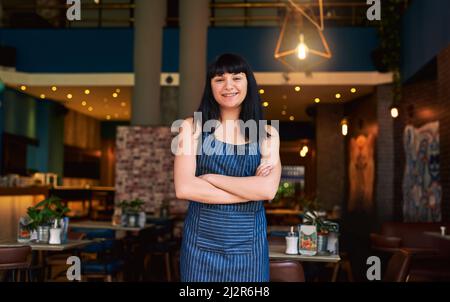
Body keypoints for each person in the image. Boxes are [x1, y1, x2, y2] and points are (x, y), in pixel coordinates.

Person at [174, 53, 281, 282]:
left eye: (236, 77)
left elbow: (267, 191)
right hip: (200, 247)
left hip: (249, 249)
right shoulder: (191, 127)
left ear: (247, 83)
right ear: (210, 86)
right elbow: (184, 188)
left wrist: (211, 178)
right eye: (219, 79)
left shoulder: (268, 135)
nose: (228, 86)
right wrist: (248, 191)